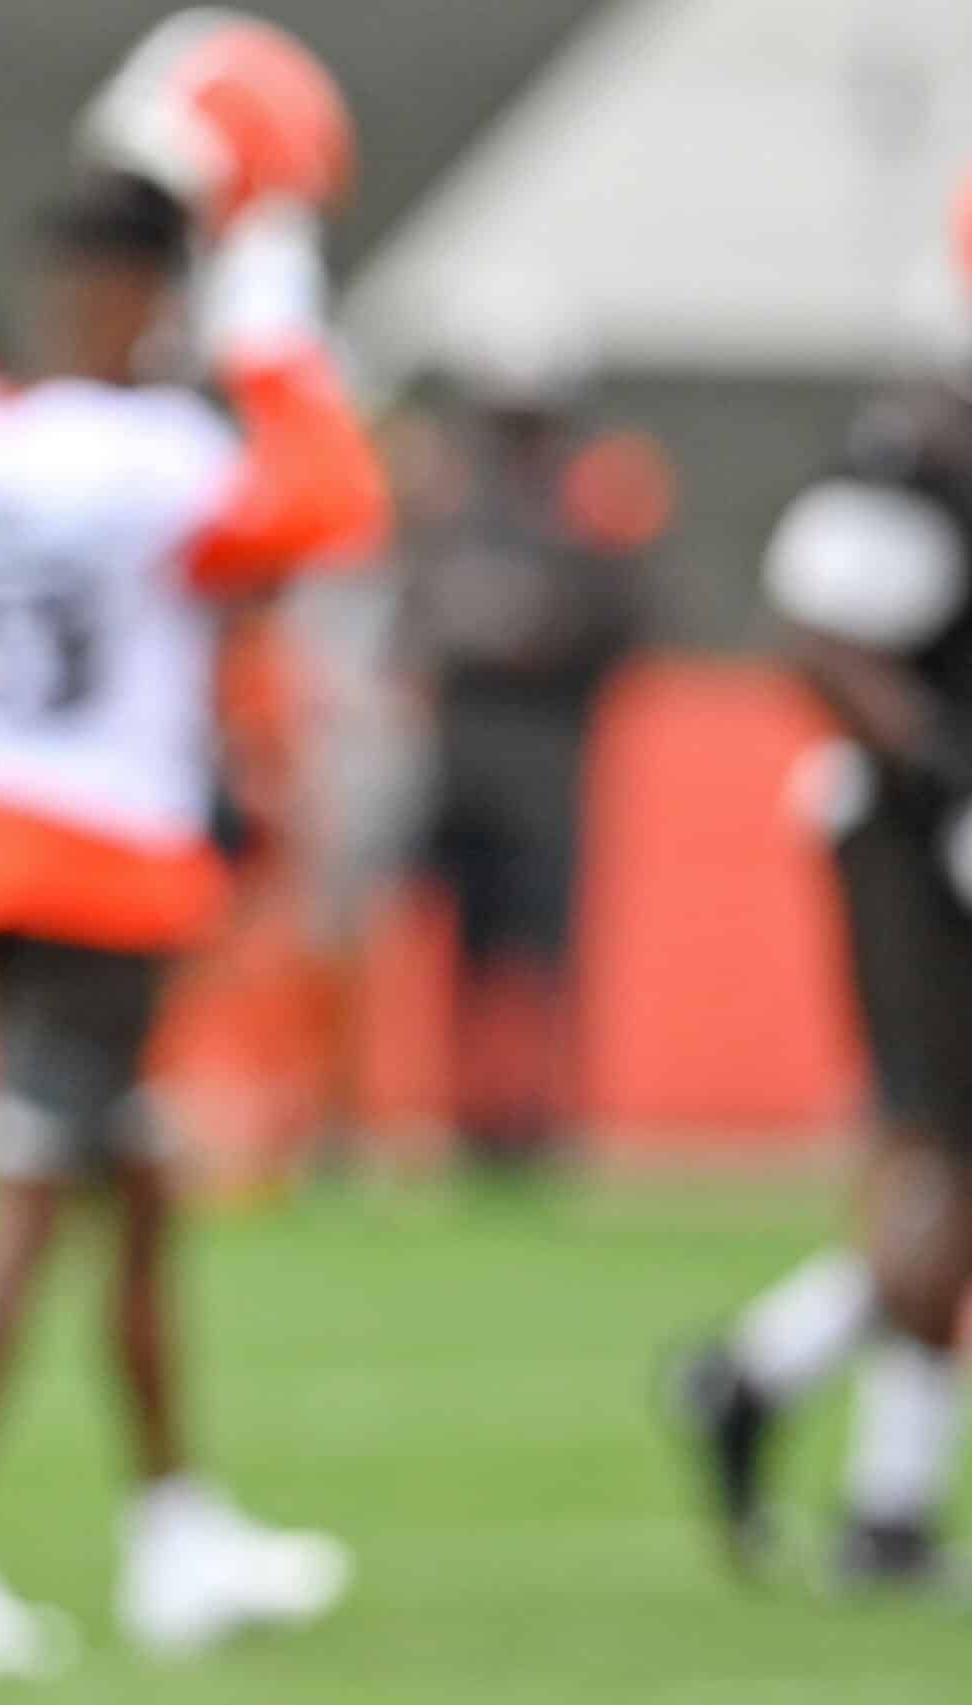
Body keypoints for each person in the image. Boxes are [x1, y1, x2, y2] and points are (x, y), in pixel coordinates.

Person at [0, 11, 387, 1670]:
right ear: (143, 296)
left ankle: (173, 1528)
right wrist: (273, 280)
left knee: (132, 1186)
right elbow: (333, 501)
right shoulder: (152, 456)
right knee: (28, 1188)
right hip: (111, 858)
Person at [677, 169, 972, 1588]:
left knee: (955, 1163)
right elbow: (816, 628)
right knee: (939, 1147)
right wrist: (941, 764)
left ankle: (767, 1382)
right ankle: (886, 1504)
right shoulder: (926, 432)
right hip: (918, 840)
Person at [390, 303, 666, 1171]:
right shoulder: (455, 503)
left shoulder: (595, 500)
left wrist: (532, 630)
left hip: (547, 750)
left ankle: (540, 1116)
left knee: (541, 945)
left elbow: (625, 621)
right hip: (464, 749)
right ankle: (473, 1112)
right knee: (465, 938)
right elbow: (415, 618)